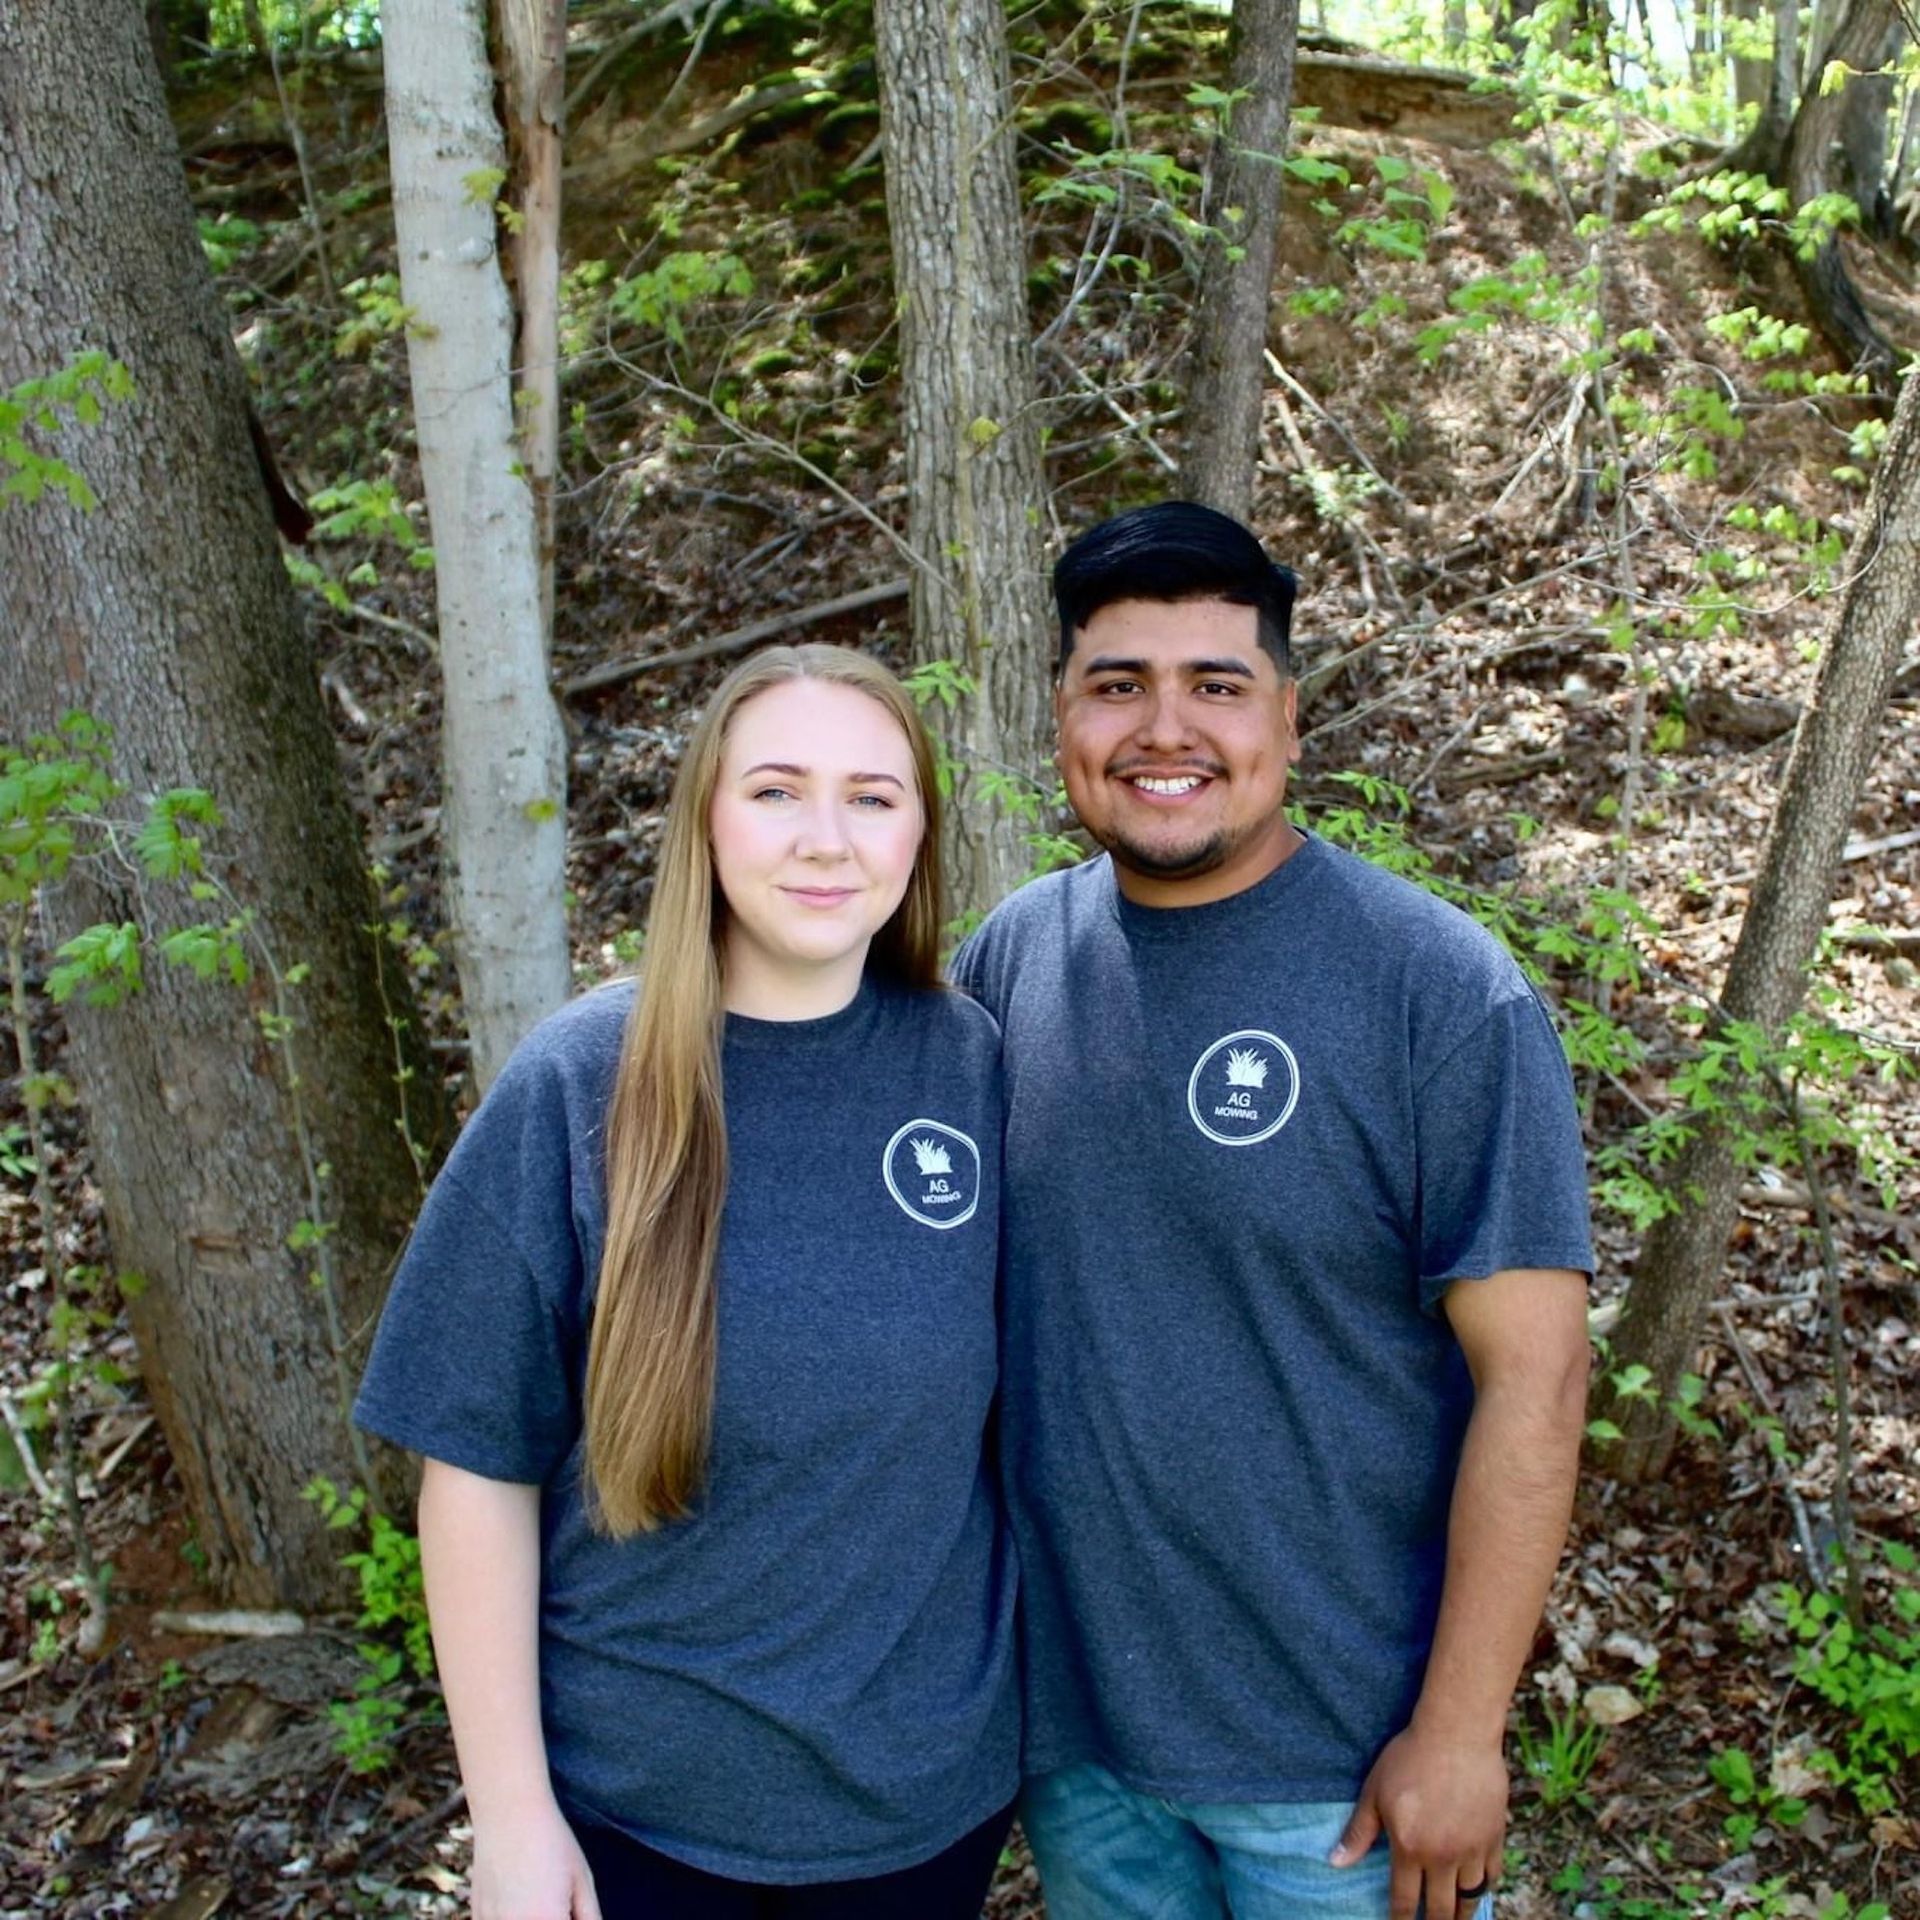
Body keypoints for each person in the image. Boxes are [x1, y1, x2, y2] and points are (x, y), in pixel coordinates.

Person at [951, 502, 1594, 1920]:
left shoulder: (1434, 990)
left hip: (1344, 1774)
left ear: (1289, 725)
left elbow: (1537, 1380)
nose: (1163, 729)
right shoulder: (1008, 966)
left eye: (1217, 688)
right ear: (1062, 716)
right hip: (1084, 1751)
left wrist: (1462, 1731)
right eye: (1117, 685)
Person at [354, 644, 1018, 1920]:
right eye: (776, 791)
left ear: (920, 834)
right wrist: (510, 1820)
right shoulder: (578, 1085)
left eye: (874, 797)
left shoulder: (976, 1069)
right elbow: (474, 1471)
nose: (827, 838)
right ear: (703, 820)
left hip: (924, 1816)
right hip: (638, 1823)